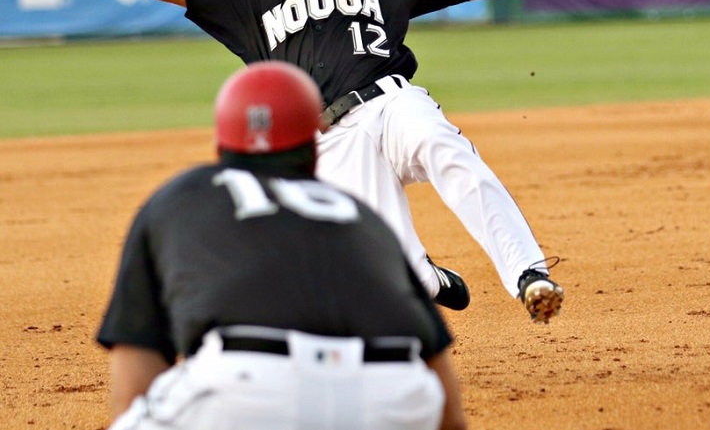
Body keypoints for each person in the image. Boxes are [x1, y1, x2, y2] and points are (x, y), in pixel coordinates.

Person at [65, 0, 625, 323]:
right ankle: (424, 276)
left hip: (392, 103)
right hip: (327, 141)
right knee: (381, 272)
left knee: (441, 145)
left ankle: (529, 275)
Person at [95, 60, 466, 430]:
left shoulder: (180, 196)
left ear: (220, 143)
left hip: (244, 386)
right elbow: (446, 405)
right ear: (313, 145)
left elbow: (132, 393)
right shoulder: (362, 218)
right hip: (393, 394)